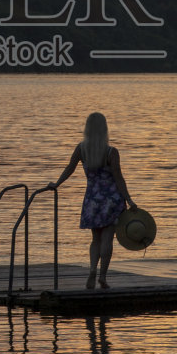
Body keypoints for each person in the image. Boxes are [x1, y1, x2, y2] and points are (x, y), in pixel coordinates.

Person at [51, 112, 136, 291]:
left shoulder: (82, 149)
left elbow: (70, 168)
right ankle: (102, 278)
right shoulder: (111, 152)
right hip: (112, 200)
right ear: (104, 129)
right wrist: (128, 199)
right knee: (107, 240)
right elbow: (119, 178)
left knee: (95, 240)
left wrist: (57, 184)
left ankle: (91, 270)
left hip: (92, 200)